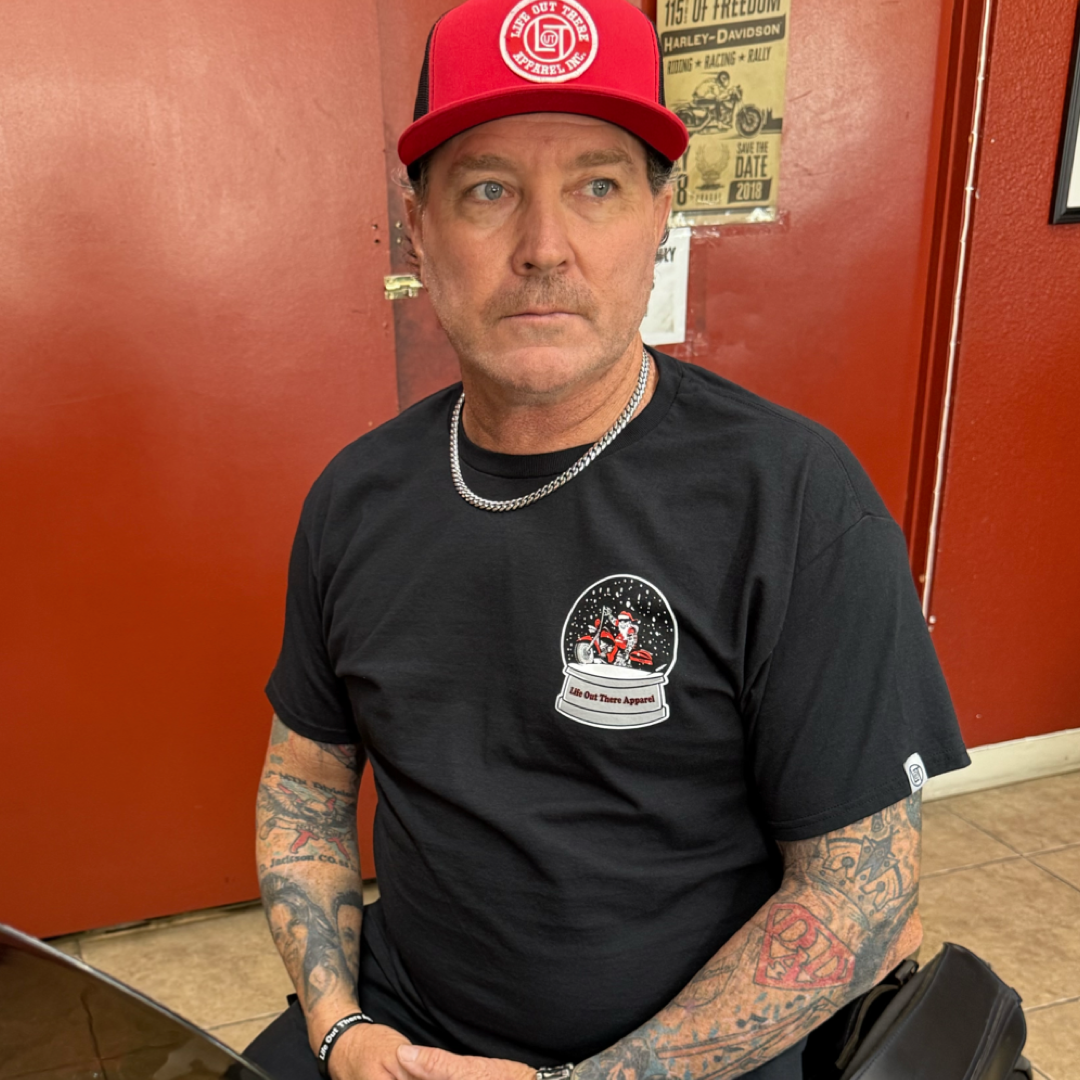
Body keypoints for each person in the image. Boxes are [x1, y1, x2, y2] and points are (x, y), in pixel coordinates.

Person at [245, 1, 969, 1079]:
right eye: (488, 189)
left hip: (694, 1060)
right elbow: (304, 790)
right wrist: (342, 1025)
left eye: (597, 185)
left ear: (659, 217)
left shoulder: (796, 500)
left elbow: (856, 898)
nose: (545, 248)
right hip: (396, 1032)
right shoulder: (356, 497)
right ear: (419, 224)